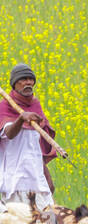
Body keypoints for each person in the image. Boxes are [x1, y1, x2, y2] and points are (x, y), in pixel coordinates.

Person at [0, 63, 58, 208]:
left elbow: (36, 149)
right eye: (23, 79)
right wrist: (21, 119)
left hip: (38, 180)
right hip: (16, 181)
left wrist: (47, 177)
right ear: (15, 83)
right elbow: (9, 134)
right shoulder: (4, 107)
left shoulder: (35, 105)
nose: (28, 82)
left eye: (31, 79)